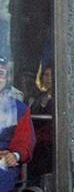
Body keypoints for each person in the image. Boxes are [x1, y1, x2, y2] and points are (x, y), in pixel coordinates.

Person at [0, 56, 35, 192]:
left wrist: (15, 155)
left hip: (4, 166)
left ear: (7, 79)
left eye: (1, 73)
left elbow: (25, 142)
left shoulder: (19, 109)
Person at [28, 64, 54, 188]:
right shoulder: (37, 97)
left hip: (52, 144)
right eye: (45, 75)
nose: (48, 79)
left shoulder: (63, 99)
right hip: (37, 145)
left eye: (51, 75)